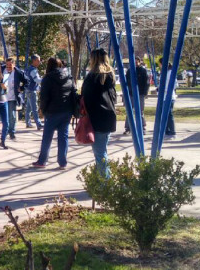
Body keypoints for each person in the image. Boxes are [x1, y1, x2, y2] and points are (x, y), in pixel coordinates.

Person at [32, 57, 76, 169]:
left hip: (52, 111)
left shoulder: (48, 78)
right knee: (63, 137)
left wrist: (43, 109)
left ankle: (42, 161)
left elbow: (44, 97)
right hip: (66, 110)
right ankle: (63, 162)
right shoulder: (69, 77)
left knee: (47, 137)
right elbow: (73, 93)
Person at [82, 49, 117, 177]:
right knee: (102, 150)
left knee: (100, 153)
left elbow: (86, 97)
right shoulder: (110, 75)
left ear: (93, 59)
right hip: (109, 116)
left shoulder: (92, 77)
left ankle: (105, 183)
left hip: (96, 118)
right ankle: (102, 178)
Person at [2, 57, 26, 140]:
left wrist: (21, 88)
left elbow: (27, 81)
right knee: (5, 116)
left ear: (14, 65)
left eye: (10, 65)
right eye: (7, 65)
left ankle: (12, 132)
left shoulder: (18, 72)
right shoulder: (2, 70)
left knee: (12, 116)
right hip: (3, 97)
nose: (8, 67)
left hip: (12, 97)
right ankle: (5, 131)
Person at [124, 56, 149, 134]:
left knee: (140, 111)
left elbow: (147, 82)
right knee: (129, 111)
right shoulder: (129, 71)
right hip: (131, 94)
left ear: (139, 62)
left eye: (137, 61)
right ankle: (128, 128)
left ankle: (142, 127)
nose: (136, 63)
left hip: (140, 93)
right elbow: (126, 82)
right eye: (134, 62)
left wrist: (145, 93)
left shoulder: (143, 71)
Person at [24, 54, 43, 129]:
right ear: (34, 61)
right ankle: (38, 124)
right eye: (38, 61)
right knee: (34, 108)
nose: (39, 62)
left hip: (28, 90)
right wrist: (45, 79)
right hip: (32, 91)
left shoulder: (28, 69)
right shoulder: (33, 70)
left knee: (28, 108)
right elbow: (38, 80)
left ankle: (28, 123)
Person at [159, 62, 178, 137]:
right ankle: (166, 130)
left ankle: (172, 131)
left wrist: (165, 89)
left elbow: (174, 84)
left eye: (160, 64)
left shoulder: (170, 73)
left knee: (169, 114)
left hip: (169, 96)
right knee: (165, 114)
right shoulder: (164, 73)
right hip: (164, 96)